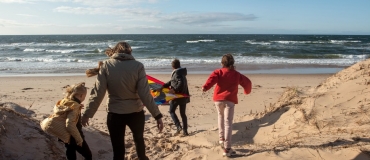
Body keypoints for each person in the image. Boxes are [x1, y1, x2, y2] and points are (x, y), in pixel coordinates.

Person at [81, 41, 164, 160]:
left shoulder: (106, 65)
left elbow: (98, 93)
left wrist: (87, 114)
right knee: (139, 142)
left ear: (115, 51)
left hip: (115, 114)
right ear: (130, 52)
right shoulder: (138, 66)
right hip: (135, 112)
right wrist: (157, 115)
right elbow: (145, 94)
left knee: (118, 150)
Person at [201, 54, 252, 157]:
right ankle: (227, 148)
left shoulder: (218, 72)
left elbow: (212, 79)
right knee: (228, 123)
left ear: (222, 63)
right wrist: (247, 91)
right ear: (233, 63)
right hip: (230, 100)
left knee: (220, 117)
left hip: (218, 100)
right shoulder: (237, 74)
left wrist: (205, 87)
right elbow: (247, 82)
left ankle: (221, 138)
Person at [40, 82, 92, 160]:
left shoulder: (65, 101)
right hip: (73, 135)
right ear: (81, 95)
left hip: (65, 134)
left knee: (70, 153)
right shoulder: (75, 106)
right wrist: (79, 139)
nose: (84, 98)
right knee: (88, 155)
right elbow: (70, 124)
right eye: (85, 96)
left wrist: (78, 106)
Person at [160, 59, 190, 136]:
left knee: (171, 111)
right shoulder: (181, 72)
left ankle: (178, 127)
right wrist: (164, 85)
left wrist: (174, 90)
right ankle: (185, 131)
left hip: (177, 96)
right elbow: (172, 81)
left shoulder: (177, 73)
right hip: (183, 96)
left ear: (173, 66)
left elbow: (181, 83)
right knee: (183, 114)